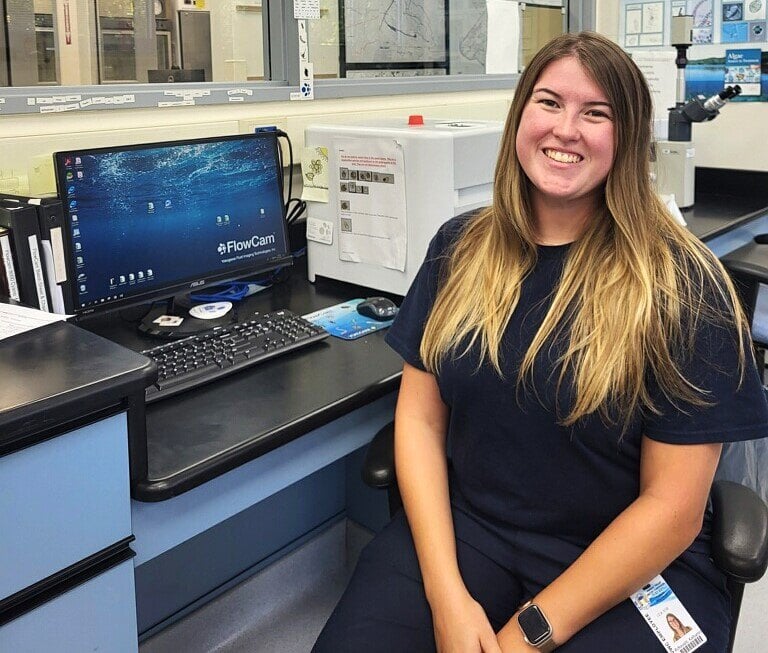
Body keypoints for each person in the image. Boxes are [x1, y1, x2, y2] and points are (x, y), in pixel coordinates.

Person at [313, 31, 768, 653]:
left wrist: (528, 634)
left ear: (628, 137)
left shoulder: (682, 285)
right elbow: (417, 423)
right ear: (520, 116)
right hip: (475, 533)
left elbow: (672, 508)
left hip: (634, 563)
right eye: (550, 102)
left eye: (596, 112)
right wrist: (447, 597)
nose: (567, 129)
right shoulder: (459, 249)